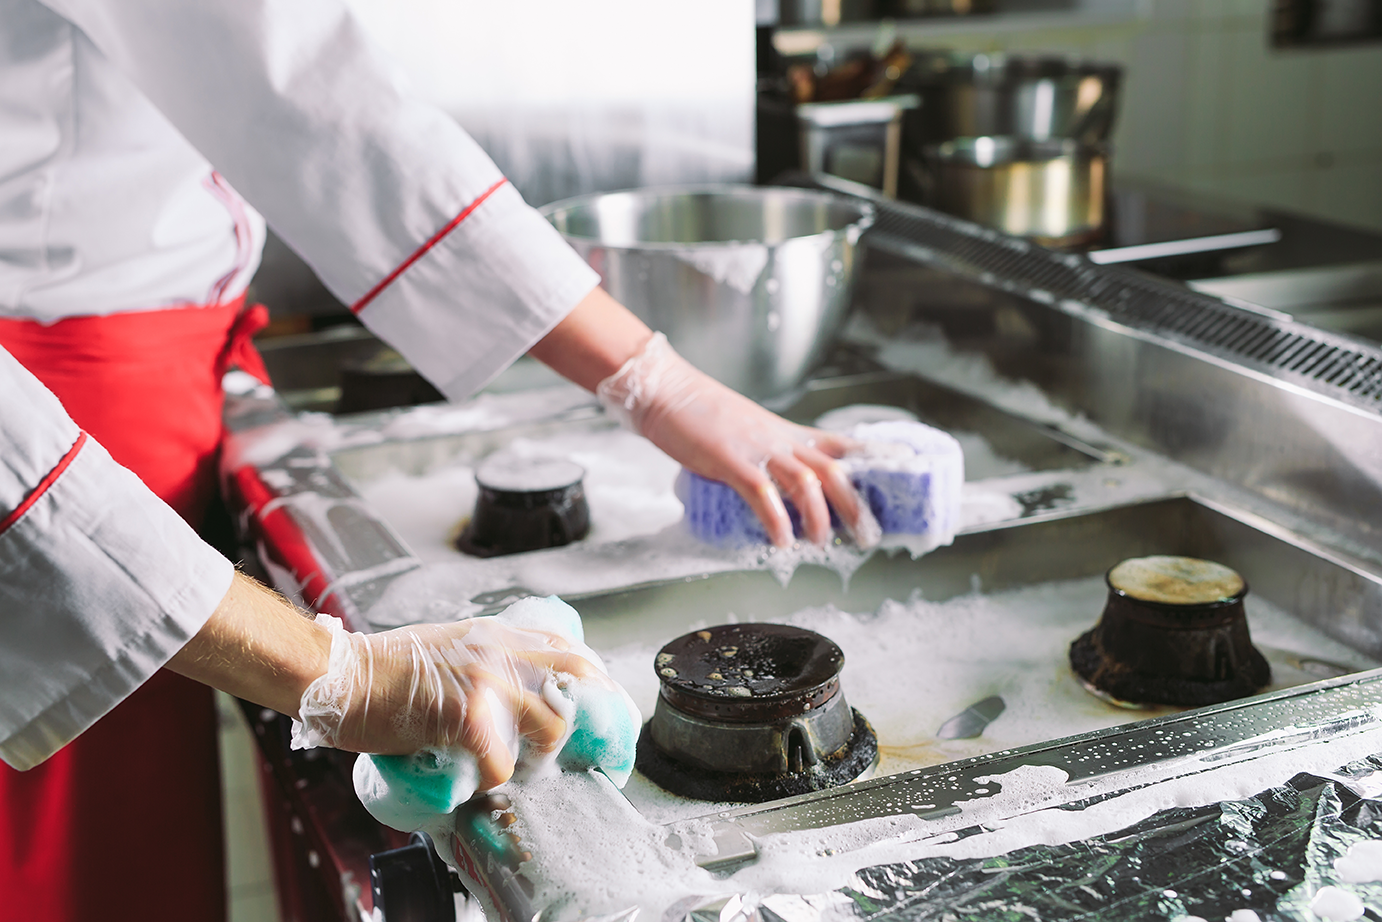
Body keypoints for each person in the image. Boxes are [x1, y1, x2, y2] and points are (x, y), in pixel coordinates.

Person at [0, 0, 873, 918]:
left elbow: (304, 99)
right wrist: (344, 675)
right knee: (71, 862)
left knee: (138, 840)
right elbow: (311, 99)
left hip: (152, 382)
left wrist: (659, 384)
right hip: (57, 429)